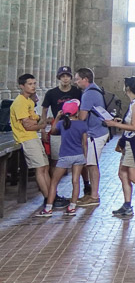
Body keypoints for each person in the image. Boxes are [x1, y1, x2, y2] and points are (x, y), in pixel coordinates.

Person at [106, 77, 135, 218]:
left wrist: (114, 125)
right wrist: (120, 121)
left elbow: (134, 127)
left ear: (128, 88)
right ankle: (127, 205)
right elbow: (131, 121)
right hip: (130, 142)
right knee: (123, 174)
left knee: (134, 176)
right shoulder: (134, 103)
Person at [14, 74, 55, 217]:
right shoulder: (19, 102)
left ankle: (52, 197)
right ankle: (47, 199)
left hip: (34, 137)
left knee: (45, 167)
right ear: (22, 86)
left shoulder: (28, 102)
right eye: (30, 84)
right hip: (27, 139)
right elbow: (28, 126)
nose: (33, 86)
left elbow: (35, 120)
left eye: (34, 83)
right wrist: (42, 124)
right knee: (39, 168)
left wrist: (39, 123)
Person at [46, 99, 89, 215]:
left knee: (54, 182)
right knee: (75, 181)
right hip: (79, 155)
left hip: (65, 156)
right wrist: (85, 158)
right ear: (77, 111)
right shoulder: (82, 124)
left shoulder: (62, 124)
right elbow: (84, 143)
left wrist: (57, 117)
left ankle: (48, 208)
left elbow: (53, 131)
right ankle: (72, 207)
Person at [75, 68, 109, 207]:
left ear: (85, 79)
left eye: (77, 79)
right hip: (97, 131)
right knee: (90, 164)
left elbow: (82, 116)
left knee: (92, 164)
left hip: (96, 133)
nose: (76, 82)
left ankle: (94, 196)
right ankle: (92, 194)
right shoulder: (94, 90)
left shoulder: (88, 94)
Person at [40, 65, 81, 176]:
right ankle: (54, 189)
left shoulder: (77, 92)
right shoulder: (51, 93)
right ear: (59, 78)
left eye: (67, 76)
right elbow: (44, 110)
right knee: (55, 159)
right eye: (62, 76)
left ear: (71, 78)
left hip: (73, 127)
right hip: (57, 127)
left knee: (76, 159)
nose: (65, 78)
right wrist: (43, 129)